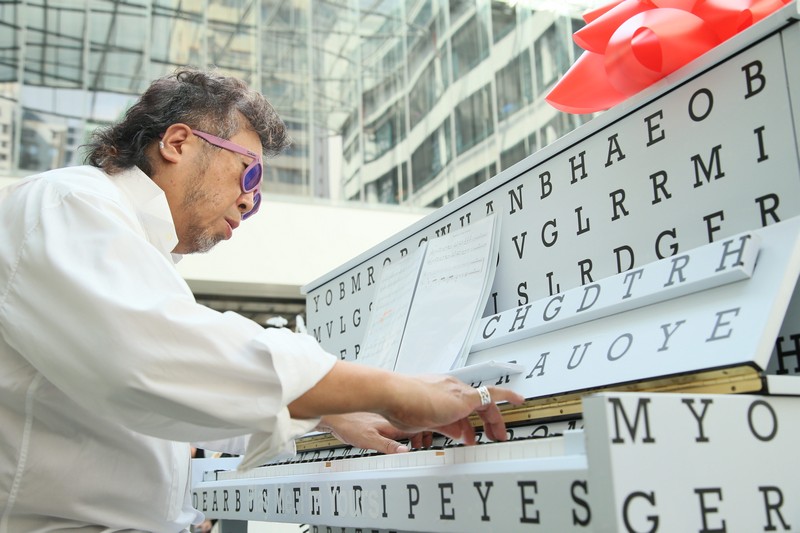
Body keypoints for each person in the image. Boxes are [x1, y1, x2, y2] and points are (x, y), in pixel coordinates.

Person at [0, 68, 523, 532]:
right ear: (178, 143)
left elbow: (174, 400)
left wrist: (330, 414)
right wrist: (392, 388)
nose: (249, 201)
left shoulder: (132, 244)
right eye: (248, 172)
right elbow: (152, 360)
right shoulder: (68, 201)